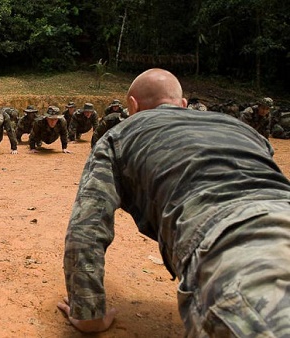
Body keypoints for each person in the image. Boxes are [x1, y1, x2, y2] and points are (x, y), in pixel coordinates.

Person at [58, 68, 290, 336]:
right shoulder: (241, 128)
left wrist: (88, 313)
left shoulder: (119, 137)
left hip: (229, 246)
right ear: (182, 104)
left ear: (132, 105)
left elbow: (87, 226)